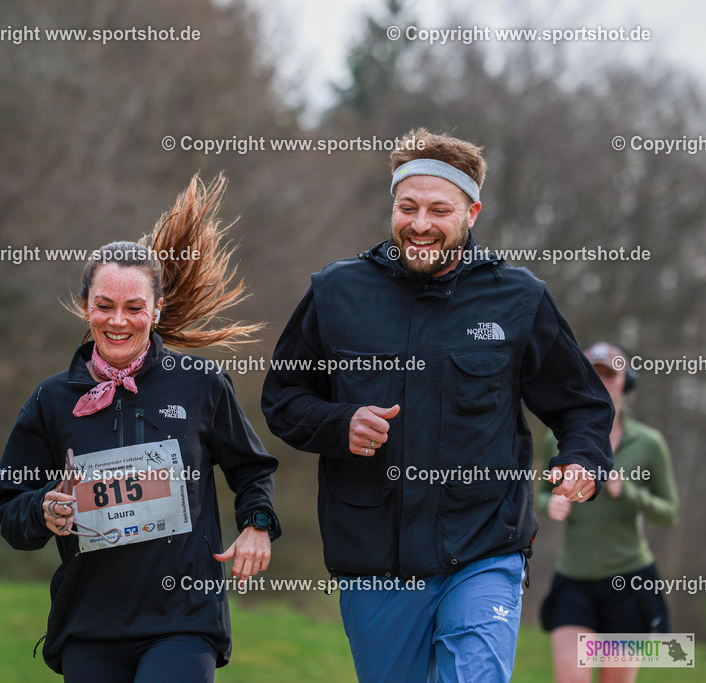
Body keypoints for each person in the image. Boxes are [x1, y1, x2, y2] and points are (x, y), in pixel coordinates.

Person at [261, 128, 615, 682]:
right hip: (374, 556)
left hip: (484, 549)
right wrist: (338, 424)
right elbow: (283, 399)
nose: (420, 224)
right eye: (408, 207)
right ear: (393, 206)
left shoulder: (519, 299)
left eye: (439, 210)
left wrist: (583, 458)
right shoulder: (336, 292)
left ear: (472, 212)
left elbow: (581, 405)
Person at [0, 173, 281, 682]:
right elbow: (11, 509)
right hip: (89, 621)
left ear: (157, 310)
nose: (118, 321)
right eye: (104, 306)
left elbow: (252, 469)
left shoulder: (201, 384)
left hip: (183, 618)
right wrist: (44, 510)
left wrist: (257, 524)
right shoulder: (51, 400)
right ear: (87, 307)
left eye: (133, 307)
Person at [539, 342, 679, 683]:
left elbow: (669, 512)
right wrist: (549, 504)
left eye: (610, 374)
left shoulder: (648, 443)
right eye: (594, 372)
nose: (602, 381)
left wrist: (627, 492)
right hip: (574, 579)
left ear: (626, 381)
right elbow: (540, 495)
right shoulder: (555, 440)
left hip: (629, 582)